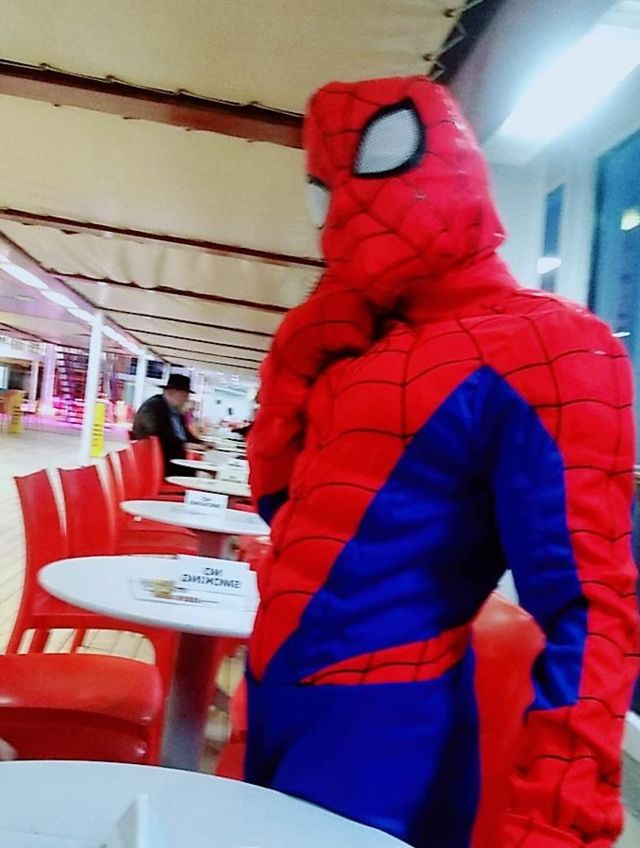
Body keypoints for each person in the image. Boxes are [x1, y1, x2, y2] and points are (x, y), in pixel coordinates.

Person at [246, 76, 640, 848]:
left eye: (380, 159)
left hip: (387, 726)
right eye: (327, 188)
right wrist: (292, 367)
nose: (349, 207)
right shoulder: (358, 343)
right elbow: (284, 513)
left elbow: (592, 607)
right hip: (274, 692)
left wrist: (559, 817)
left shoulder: (548, 343)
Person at [131, 373, 202, 475]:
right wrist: (183, 445)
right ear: (170, 392)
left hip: (174, 462)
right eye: (185, 395)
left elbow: (185, 434)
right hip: (159, 465)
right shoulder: (153, 407)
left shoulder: (174, 410)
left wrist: (201, 443)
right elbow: (156, 434)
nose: (187, 399)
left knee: (206, 473)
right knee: (205, 475)